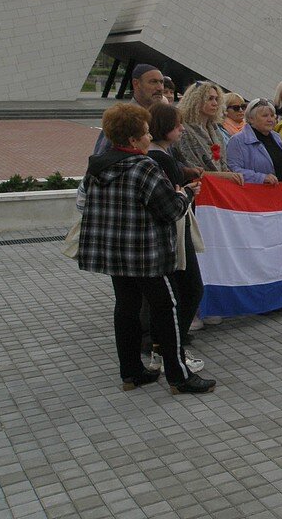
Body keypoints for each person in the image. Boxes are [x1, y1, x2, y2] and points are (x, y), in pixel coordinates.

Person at [76, 103, 215, 394]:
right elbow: (170, 210)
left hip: (115, 252)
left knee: (126, 308)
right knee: (167, 308)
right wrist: (186, 193)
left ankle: (131, 372)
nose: (149, 137)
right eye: (145, 133)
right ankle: (179, 376)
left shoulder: (98, 166)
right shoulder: (144, 167)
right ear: (132, 139)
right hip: (146, 254)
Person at [146, 103, 206, 373]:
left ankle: (162, 349)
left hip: (162, 237)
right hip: (175, 234)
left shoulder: (158, 156)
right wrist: (190, 192)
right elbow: (173, 202)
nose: (182, 129)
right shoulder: (161, 159)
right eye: (177, 125)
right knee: (190, 290)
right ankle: (175, 350)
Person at [173, 81, 245, 185]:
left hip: (218, 186)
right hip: (195, 188)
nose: (215, 103)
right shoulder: (184, 129)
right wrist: (224, 175)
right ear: (196, 100)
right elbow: (190, 169)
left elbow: (222, 162)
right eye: (210, 98)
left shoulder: (215, 129)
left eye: (216, 99)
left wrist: (228, 174)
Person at [93, 63, 165, 154]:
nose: (160, 88)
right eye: (153, 82)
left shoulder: (162, 116)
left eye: (161, 82)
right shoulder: (122, 119)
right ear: (136, 83)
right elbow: (101, 158)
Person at [227, 98, 282, 184]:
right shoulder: (237, 141)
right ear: (251, 119)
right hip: (255, 194)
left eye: (272, 115)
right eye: (265, 116)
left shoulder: (277, 137)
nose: (270, 119)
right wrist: (261, 178)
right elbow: (234, 170)